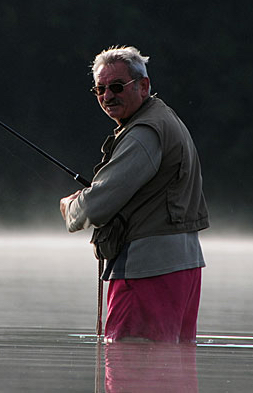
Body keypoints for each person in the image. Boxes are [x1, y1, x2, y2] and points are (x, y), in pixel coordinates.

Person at [60, 45, 209, 343]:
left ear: (144, 86)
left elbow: (96, 206)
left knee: (130, 370)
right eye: (100, 89)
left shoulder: (143, 133)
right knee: (173, 377)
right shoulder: (166, 120)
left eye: (116, 86)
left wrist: (70, 206)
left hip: (145, 274)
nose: (107, 96)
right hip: (183, 271)